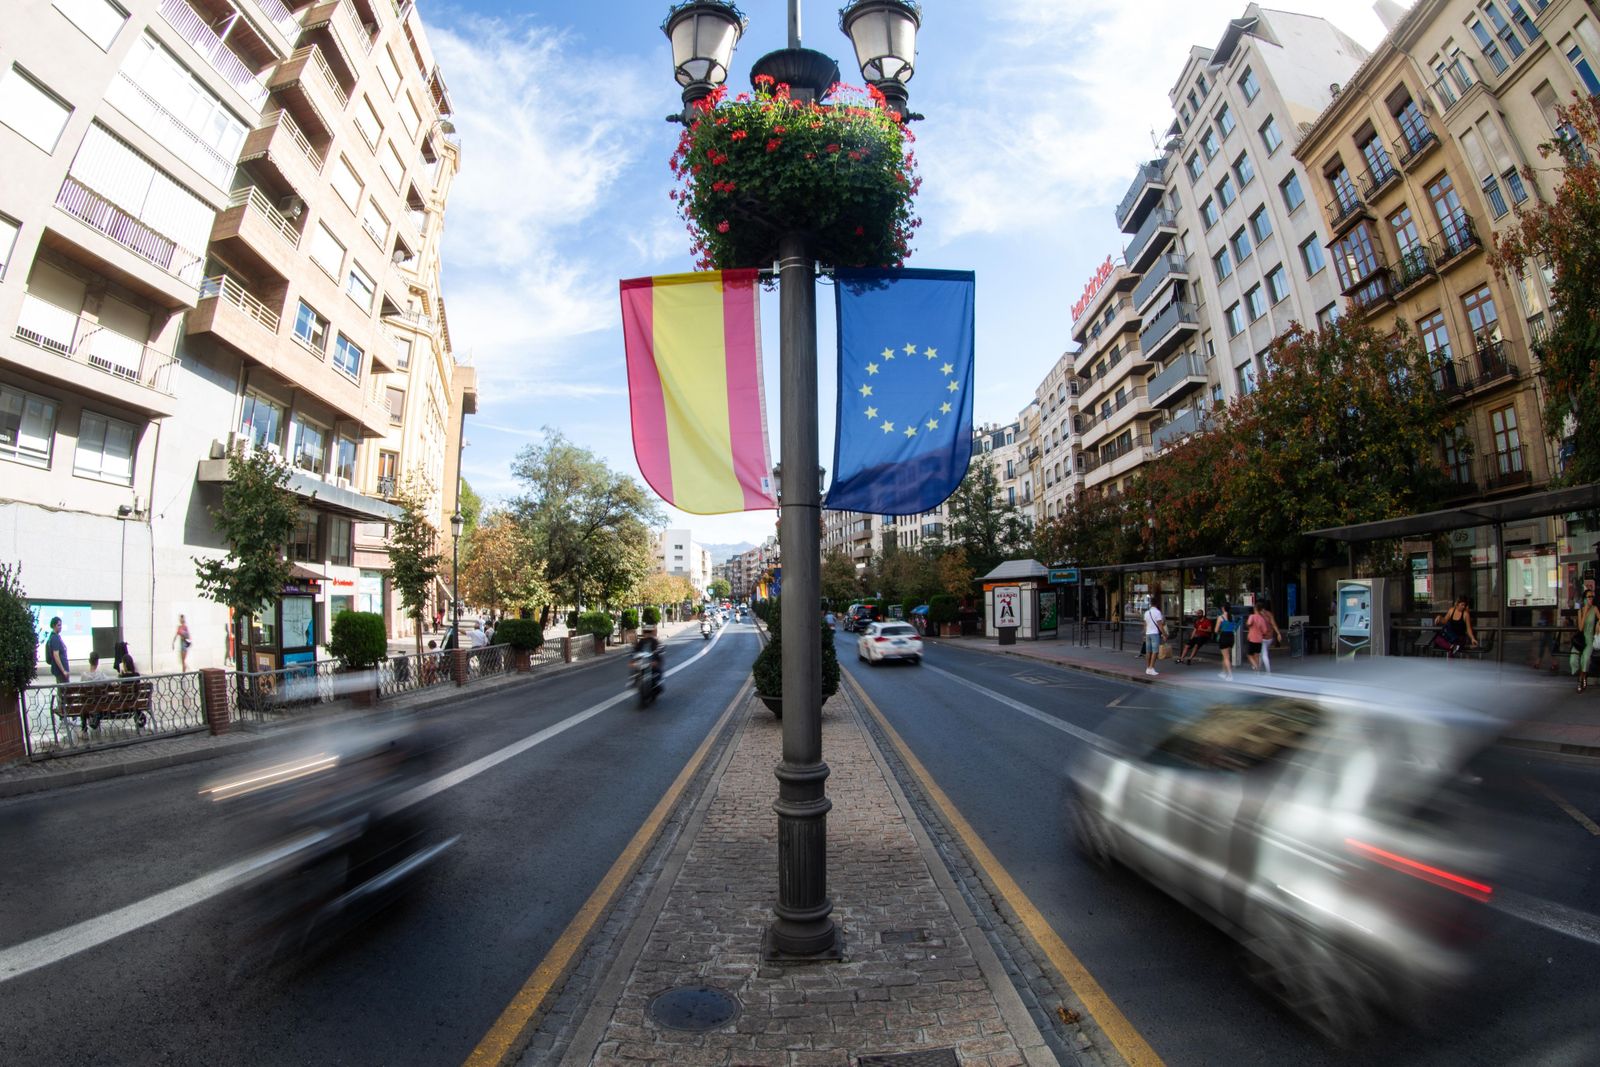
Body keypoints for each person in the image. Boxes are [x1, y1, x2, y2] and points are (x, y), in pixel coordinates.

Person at [1435, 594, 1479, 659]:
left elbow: (1468, 629)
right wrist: (1439, 617)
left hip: (1459, 637)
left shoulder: (1466, 614)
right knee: (1438, 639)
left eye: (1465, 605)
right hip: (1451, 636)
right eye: (1462, 605)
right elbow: (1444, 620)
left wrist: (1472, 638)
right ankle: (1453, 647)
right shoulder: (1451, 610)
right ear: (1457, 604)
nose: (1463, 607)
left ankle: (1453, 648)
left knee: (1453, 648)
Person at [1252, 596, 1284, 673]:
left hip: (1262, 638)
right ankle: (1257, 668)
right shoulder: (1269, 614)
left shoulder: (1257, 615)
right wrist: (1278, 633)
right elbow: (1274, 624)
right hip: (1270, 638)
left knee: (1264, 654)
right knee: (1262, 653)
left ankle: (1268, 671)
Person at [1575, 592, 1599, 692]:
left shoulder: (1595, 609)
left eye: (1592, 597)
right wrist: (1584, 612)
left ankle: (1581, 679)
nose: (1591, 599)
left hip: (1589, 638)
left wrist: (1598, 623)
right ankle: (1584, 676)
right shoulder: (1580, 611)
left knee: (1585, 657)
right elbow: (1580, 628)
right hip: (1581, 639)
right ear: (1584, 599)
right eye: (1589, 597)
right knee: (1574, 659)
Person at [1142, 589, 1166, 677]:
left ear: (1151, 603)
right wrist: (1164, 634)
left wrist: (1144, 634)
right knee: (1155, 652)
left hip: (1148, 633)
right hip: (1155, 634)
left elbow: (1145, 625)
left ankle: (1148, 668)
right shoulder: (1157, 612)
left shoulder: (1146, 612)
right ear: (1157, 604)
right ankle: (1151, 668)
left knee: (1148, 651)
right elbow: (1160, 625)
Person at [1214, 603, 1237, 681]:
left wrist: (1220, 629)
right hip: (1231, 637)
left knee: (1226, 657)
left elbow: (1216, 630)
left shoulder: (1220, 617)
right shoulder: (1233, 617)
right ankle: (1223, 672)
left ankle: (1230, 675)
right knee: (1226, 656)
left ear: (1223, 608)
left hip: (1224, 636)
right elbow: (1234, 627)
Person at [45, 616, 69, 685]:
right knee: (64, 691)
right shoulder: (55, 638)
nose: (61, 627)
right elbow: (56, 655)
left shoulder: (54, 637)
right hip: (60, 672)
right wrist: (63, 670)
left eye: (61, 625)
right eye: (59, 625)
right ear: (53, 626)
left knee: (63, 691)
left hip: (60, 671)